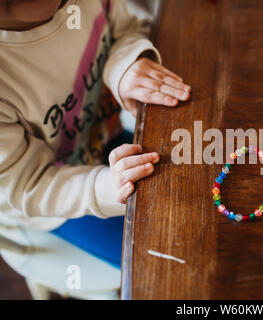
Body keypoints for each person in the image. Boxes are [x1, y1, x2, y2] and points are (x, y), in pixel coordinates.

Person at [0, 0, 190, 268]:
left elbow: (129, 24)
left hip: (107, 139)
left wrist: (123, 67)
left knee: (191, 194)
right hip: (59, 196)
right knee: (165, 260)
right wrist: (106, 187)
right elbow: (29, 186)